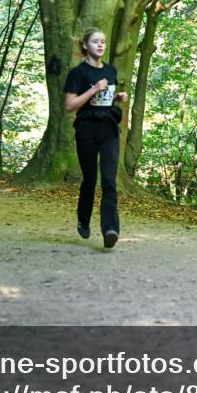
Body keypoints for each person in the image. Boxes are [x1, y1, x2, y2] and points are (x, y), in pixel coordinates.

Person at [64, 28, 128, 247]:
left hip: (108, 128)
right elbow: (69, 105)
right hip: (87, 130)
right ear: (85, 45)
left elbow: (106, 98)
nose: (100, 45)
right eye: (95, 42)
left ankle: (110, 229)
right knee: (90, 180)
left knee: (109, 180)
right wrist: (92, 90)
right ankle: (83, 219)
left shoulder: (110, 70)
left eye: (103, 42)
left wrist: (117, 98)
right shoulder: (77, 73)